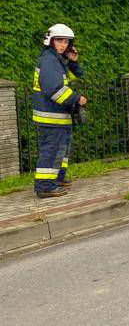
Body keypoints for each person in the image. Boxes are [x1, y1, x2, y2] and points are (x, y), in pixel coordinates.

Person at [32, 24, 87, 198]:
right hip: (51, 116)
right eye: (59, 41)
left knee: (61, 150)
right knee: (51, 150)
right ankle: (44, 186)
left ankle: (56, 179)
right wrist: (77, 99)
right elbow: (54, 90)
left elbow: (78, 76)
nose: (63, 45)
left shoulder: (58, 60)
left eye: (66, 42)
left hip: (58, 115)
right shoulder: (49, 61)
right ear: (50, 41)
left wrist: (73, 62)